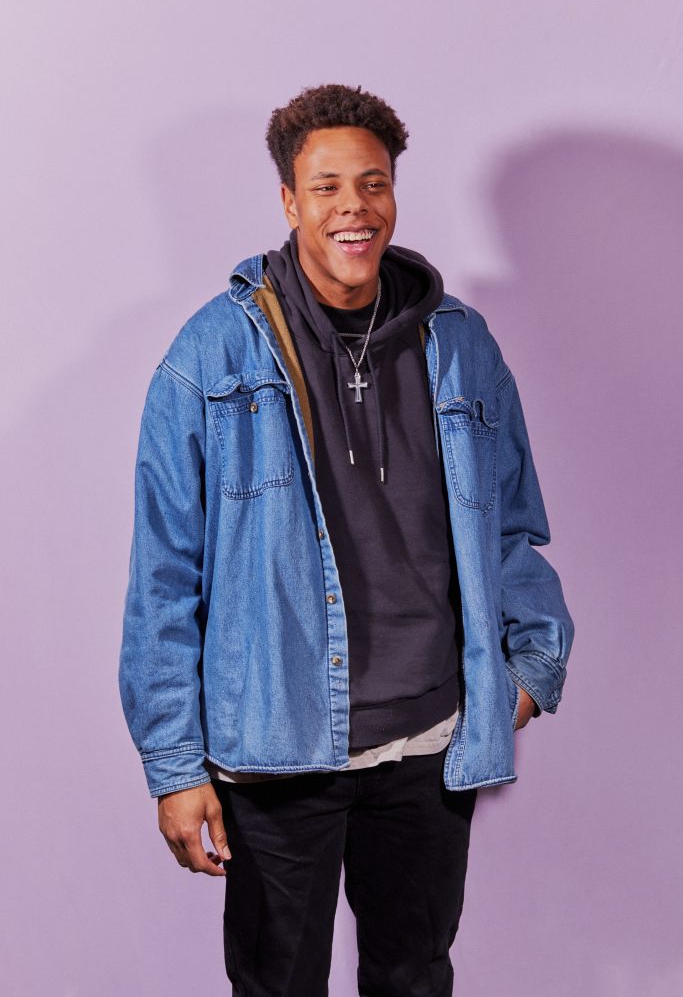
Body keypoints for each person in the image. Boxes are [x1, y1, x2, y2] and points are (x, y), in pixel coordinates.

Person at [118, 83, 574, 997]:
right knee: (278, 983)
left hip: (430, 741)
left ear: (394, 194)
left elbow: (511, 521)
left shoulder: (460, 344)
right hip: (276, 747)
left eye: (371, 183)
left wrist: (528, 671)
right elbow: (164, 578)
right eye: (326, 187)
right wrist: (174, 767)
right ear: (289, 202)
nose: (351, 208)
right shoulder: (210, 356)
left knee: (413, 976)